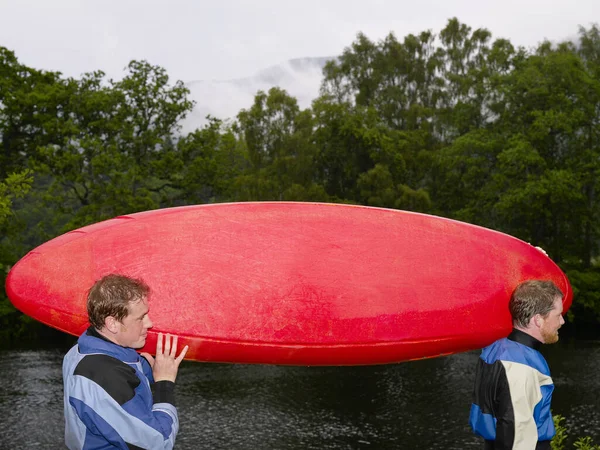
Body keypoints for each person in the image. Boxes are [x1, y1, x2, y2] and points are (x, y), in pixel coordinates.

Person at [63, 274, 189, 449]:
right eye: (141, 318)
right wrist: (164, 384)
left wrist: (151, 372)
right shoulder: (103, 376)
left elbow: (127, 377)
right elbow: (159, 442)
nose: (150, 323)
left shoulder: (80, 349)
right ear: (112, 324)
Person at [469, 279, 565, 450]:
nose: (562, 321)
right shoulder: (521, 368)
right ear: (538, 320)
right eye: (558, 315)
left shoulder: (496, 348)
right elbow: (514, 438)